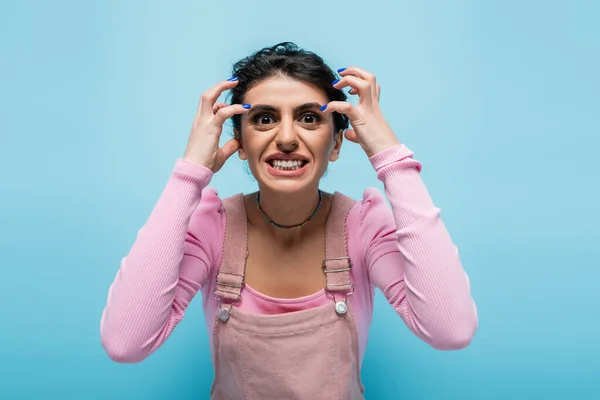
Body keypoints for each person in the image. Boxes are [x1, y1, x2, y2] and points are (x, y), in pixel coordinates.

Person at [100, 42, 478, 399]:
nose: (285, 138)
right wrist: (190, 173)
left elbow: (451, 331)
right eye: (264, 119)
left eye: (310, 118)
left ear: (337, 143)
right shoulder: (213, 225)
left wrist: (391, 157)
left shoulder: (363, 226)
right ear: (241, 144)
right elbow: (125, 343)